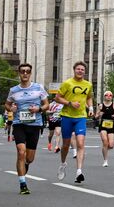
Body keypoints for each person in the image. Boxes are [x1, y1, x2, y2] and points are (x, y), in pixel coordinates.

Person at [5, 63, 50, 194]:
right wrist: (11, 108)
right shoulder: (13, 90)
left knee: (29, 158)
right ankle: (22, 184)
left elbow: (46, 104)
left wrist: (38, 109)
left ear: (30, 73)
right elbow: (7, 105)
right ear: (19, 73)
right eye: (22, 71)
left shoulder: (38, 87)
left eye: (27, 71)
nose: (25, 73)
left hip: (35, 125)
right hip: (19, 124)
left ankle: (24, 166)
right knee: (21, 152)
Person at [55, 62, 94, 184]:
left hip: (81, 117)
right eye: (78, 69)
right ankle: (63, 164)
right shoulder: (67, 83)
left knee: (80, 143)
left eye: (82, 69)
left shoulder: (88, 84)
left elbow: (89, 97)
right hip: (67, 116)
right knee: (66, 145)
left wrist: (90, 108)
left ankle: (79, 171)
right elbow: (57, 98)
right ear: (74, 70)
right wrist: (70, 103)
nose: (80, 71)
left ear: (85, 71)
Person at [96, 90, 114, 167]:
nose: (109, 96)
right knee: (105, 142)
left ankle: (104, 149)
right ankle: (105, 160)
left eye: (110, 95)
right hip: (103, 125)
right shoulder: (101, 106)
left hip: (111, 126)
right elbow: (96, 116)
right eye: (107, 95)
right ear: (104, 96)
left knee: (111, 145)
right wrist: (99, 114)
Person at [44, 88, 63, 153]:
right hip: (52, 120)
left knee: (58, 133)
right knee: (50, 135)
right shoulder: (51, 104)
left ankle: (57, 146)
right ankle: (49, 142)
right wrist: (52, 112)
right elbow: (46, 112)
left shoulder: (62, 104)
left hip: (59, 120)